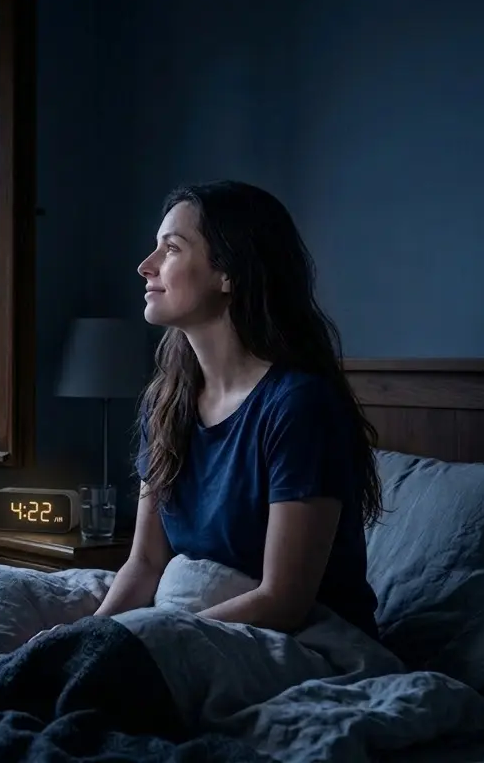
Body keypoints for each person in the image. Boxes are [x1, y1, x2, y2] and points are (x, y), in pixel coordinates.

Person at [91, 180, 383, 639]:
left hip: (301, 639)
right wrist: (87, 639)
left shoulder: (298, 407)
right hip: (195, 621)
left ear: (229, 273)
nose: (145, 266)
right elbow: (145, 563)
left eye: (171, 249)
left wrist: (155, 637)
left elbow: (283, 601)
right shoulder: (166, 403)